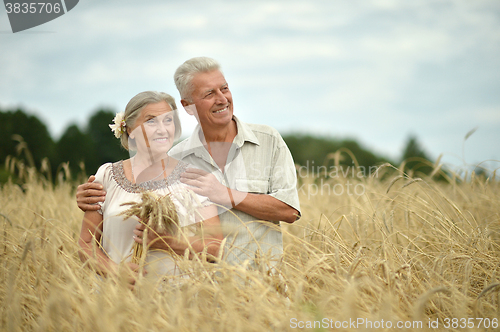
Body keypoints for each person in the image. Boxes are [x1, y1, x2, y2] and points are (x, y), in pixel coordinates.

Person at [77, 57, 300, 270]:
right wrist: (94, 198)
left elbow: (290, 211)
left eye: (224, 88)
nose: (222, 99)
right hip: (202, 295)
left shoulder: (268, 140)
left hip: (265, 285)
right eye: (209, 93)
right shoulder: (175, 158)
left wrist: (224, 194)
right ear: (187, 106)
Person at [77, 91, 222, 285]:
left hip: (175, 306)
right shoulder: (106, 176)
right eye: (151, 121)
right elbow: (86, 244)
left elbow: (216, 249)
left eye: (168, 120)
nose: (162, 129)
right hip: (114, 305)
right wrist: (114, 270)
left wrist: (170, 243)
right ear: (129, 129)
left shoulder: (195, 178)